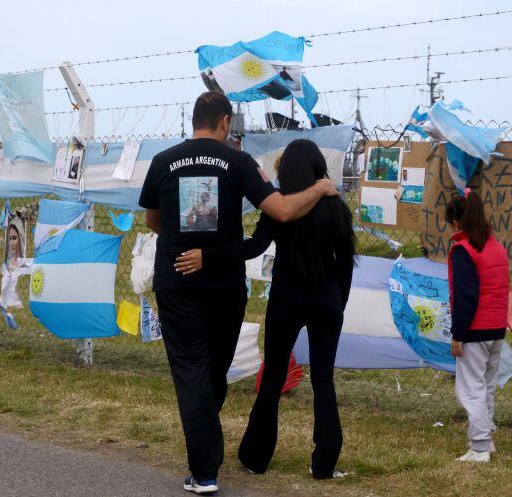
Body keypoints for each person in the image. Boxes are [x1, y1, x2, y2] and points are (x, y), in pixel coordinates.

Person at [138, 92, 338, 495]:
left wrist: (182, 240)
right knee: (212, 370)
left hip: (177, 281)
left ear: (194, 120)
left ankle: (205, 464)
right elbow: (281, 210)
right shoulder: (238, 161)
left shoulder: (162, 161)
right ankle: (205, 466)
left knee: (194, 370)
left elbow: (153, 219)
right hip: (226, 286)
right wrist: (319, 189)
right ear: (226, 122)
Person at [183, 139, 355, 479]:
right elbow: (346, 262)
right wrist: (339, 301)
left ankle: (256, 456)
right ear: (319, 167)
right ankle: (324, 464)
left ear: (286, 170)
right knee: (324, 380)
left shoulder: (281, 208)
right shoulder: (338, 208)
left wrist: (210, 256)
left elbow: (253, 248)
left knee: (273, 378)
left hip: (287, 298)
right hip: (327, 300)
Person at [445, 189, 509, 464]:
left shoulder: (463, 251)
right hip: (496, 328)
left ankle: (480, 447)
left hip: (474, 330)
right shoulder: (496, 245)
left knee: (470, 389)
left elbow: (465, 296)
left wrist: (458, 335)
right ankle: (487, 439)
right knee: (486, 386)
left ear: (457, 222)